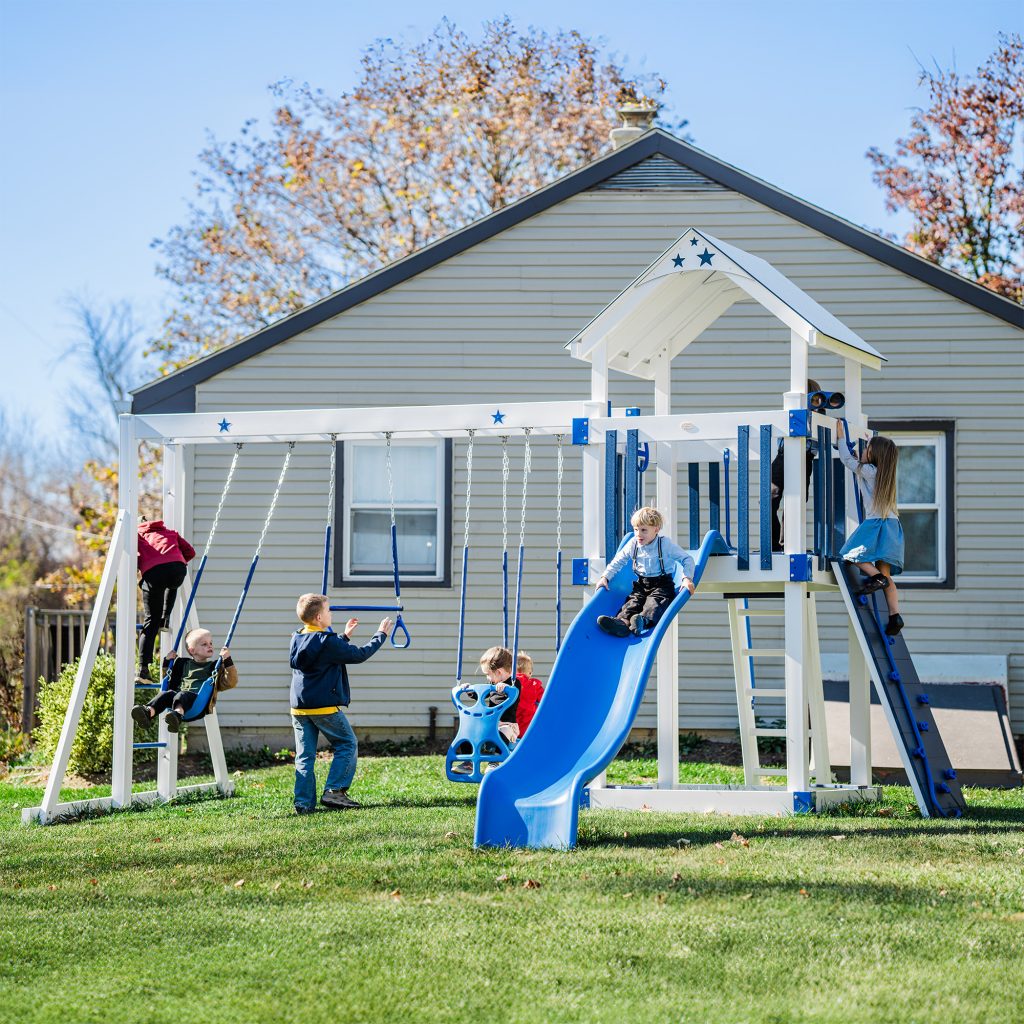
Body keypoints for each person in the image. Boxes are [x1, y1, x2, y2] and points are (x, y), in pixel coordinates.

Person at [289, 593, 392, 815]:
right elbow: (359, 654)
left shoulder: (297, 637)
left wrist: (344, 636)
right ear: (318, 617)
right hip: (323, 707)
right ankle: (334, 791)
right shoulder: (328, 642)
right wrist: (381, 634)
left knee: (304, 755)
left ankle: (304, 804)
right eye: (328, 611)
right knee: (347, 743)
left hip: (299, 707)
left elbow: (321, 654)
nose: (331, 613)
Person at [836, 422, 905, 636]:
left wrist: (840, 437)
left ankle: (876, 578)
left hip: (876, 523)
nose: (864, 451)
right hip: (893, 526)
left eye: (867, 449)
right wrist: (863, 450)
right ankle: (895, 616)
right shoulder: (885, 475)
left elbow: (847, 460)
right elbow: (862, 461)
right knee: (887, 574)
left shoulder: (869, 471)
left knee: (850, 554)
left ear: (873, 455)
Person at [595, 507, 695, 637]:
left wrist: (686, 578)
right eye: (636, 529)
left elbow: (687, 559)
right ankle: (622, 623)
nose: (638, 534)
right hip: (642, 583)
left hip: (662, 584)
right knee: (632, 602)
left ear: (656, 529)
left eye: (643, 530)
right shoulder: (633, 544)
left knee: (655, 603)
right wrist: (605, 577)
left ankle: (642, 620)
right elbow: (618, 561)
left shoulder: (664, 545)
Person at [131, 627, 237, 733]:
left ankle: (177, 715)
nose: (209, 646)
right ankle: (148, 713)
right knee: (165, 694)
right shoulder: (182, 664)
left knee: (183, 694)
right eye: (204, 644)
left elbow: (231, 682)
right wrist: (167, 662)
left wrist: (227, 661)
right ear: (192, 650)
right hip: (177, 697)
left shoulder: (214, 667)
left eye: (211, 643)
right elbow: (168, 679)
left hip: (196, 702)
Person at [136, 518, 196, 684]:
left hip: (153, 573)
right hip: (177, 568)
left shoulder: (137, 536)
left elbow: (132, 562)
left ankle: (143, 670)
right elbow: (190, 552)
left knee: (150, 621)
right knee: (173, 582)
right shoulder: (170, 532)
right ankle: (165, 618)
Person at [514, 651, 545, 737]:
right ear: (530, 673)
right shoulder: (535, 685)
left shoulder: (510, 683)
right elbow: (544, 699)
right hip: (529, 726)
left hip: (512, 725)